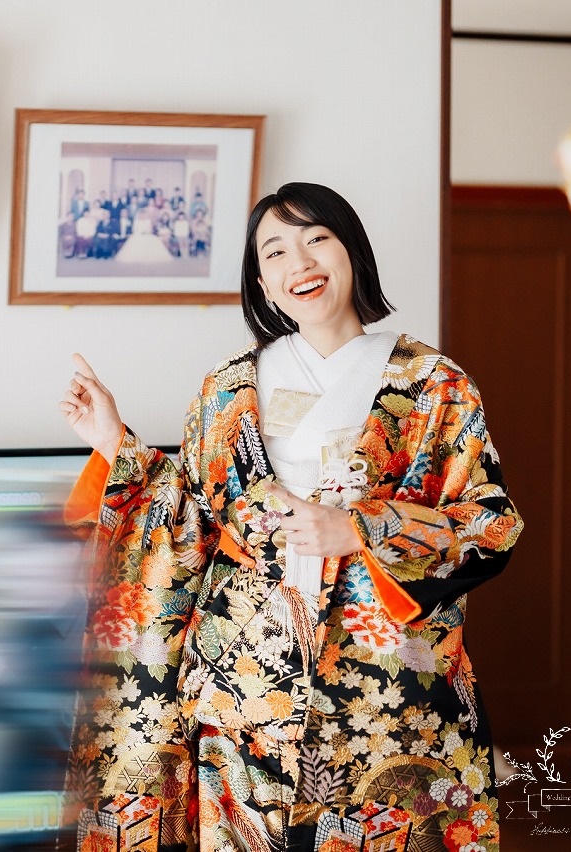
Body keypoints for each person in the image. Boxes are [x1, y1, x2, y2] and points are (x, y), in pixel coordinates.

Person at [59, 182, 523, 851]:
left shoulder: (433, 384)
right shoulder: (227, 389)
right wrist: (113, 441)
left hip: (385, 694)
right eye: (275, 251)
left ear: (351, 253)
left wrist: (361, 528)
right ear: (262, 282)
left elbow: (490, 523)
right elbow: (186, 518)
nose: (298, 261)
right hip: (245, 692)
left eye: (317, 238)